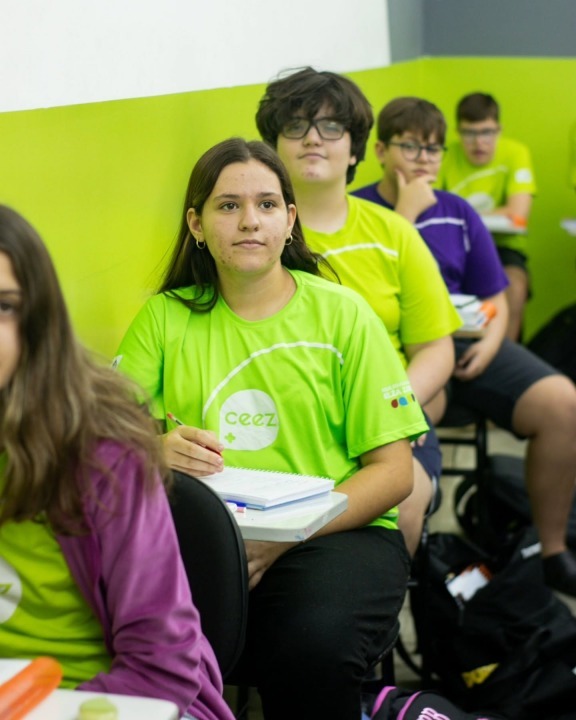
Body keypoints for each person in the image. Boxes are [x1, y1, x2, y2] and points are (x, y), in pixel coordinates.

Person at [115, 137, 428, 720]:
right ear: (197, 224)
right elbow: (99, 444)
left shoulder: (345, 315)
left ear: (289, 220)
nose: (249, 221)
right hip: (204, 537)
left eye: (265, 204)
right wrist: (152, 448)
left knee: (310, 646)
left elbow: (393, 474)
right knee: (128, 632)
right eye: (228, 206)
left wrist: (284, 539)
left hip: (337, 535)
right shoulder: (163, 317)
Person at [0, 205, 234, 720]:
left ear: (38, 321)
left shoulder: (102, 456)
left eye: (4, 306)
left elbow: (162, 669)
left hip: (101, 704)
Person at [353, 96, 576, 597]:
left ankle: (553, 551)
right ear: (381, 151)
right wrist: (406, 217)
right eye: (411, 147)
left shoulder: (456, 211)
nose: (424, 160)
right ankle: (409, 581)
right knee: (407, 423)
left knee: (563, 401)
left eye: (433, 149)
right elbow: (367, 296)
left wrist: (493, 341)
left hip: (471, 343)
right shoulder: (359, 213)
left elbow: (494, 293)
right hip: (406, 357)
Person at [255, 67, 462, 556]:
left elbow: (435, 347)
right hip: (283, 416)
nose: (312, 139)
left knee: (403, 500)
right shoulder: (253, 235)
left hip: (384, 412)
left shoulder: (395, 233)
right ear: (273, 147)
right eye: (295, 125)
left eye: (331, 127)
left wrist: (391, 411)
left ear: (355, 150)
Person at [437, 92, 536, 342]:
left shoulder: (515, 152)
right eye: (469, 133)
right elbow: (431, 207)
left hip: (503, 247)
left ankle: (505, 351)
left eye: (487, 132)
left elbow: (518, 212)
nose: (479, 142)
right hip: (455, 247)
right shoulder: (444, 155)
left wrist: (463, 215)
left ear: (498, 130)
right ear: (458, 132)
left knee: (514, 285)